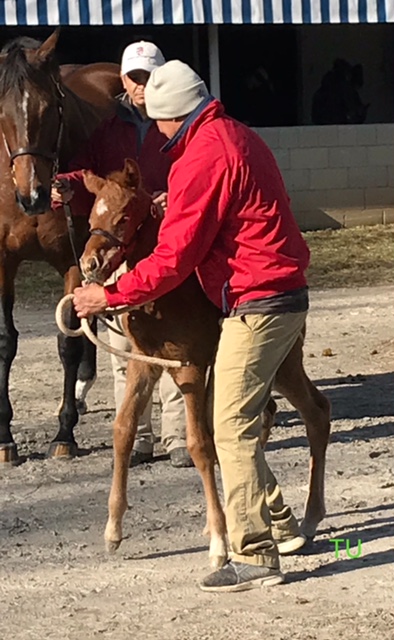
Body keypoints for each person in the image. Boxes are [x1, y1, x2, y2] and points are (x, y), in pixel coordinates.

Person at [72, 60, 310, 592]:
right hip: (275, 289)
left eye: (157, 121)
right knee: (237, 416)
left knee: (227, 425)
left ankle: (254, 555)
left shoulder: (203, 155)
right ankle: (283, 522)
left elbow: (174, 258)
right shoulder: (235, 135)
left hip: (258, 299)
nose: (155, 131)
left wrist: (108, 294)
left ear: (173, 116)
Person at [51, 43, 192, 468]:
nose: (140, 86)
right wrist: (67, 186)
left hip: (165, 244)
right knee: (119, 341)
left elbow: (198, 172)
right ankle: (138, 433)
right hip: (117, 251)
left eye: (148, 77)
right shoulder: (109, 128)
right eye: (134, 77)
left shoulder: (181, 126)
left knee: (170, 339)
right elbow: (85, 169)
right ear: (124, 80)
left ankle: (178, 434)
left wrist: (179, 197)